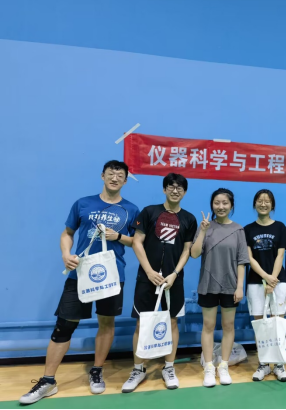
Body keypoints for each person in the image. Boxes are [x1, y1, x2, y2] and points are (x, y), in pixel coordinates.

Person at [19, 161, 140, 405]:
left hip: (112, 275)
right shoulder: (83, 203)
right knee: (64, 325)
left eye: (120, 175)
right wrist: (66, 254)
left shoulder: (131, 209)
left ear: (126, 181)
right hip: (80, 273)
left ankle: (97, 370)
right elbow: (67, 233)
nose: (115, 178)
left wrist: (118, 236)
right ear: (102, 176)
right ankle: (48, 381)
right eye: (111, 174)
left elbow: (137, 241)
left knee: (106, 323)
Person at [122, 173, 198, 393]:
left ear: (184, 192)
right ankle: (138, 369)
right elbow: (137, 242)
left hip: (173, 281)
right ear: (164, 189)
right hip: (147, 279)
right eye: (171, 186)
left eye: (179, 188)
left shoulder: (189, 219)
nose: (175, 190)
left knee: (172, 323)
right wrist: (149, 271)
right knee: (141, 323)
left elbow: (187, 250)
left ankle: (169, 368)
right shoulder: (149, 212)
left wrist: (174, 273)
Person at [191, 188, 249, 388]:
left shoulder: (238, 230)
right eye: (217, 203)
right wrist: (203, 231)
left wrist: (239, 287)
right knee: (208, 326)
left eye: (225, 203)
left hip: (230, 286)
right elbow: (194, 254)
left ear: (231, 205)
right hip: (208, 284)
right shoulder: (205, 227)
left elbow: (242, 261)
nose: (221, 206)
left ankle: (223, 366)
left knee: (228, 326)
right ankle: (209, 367)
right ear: (212, 205)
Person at [245, 190, 286, 383]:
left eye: (267, 201)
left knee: (278, 324)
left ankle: (279, 365)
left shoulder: (280, 227)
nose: (263, 204)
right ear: (254, 204)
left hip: (278, 282)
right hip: (256, 282)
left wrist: (273, 280)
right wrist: (265, 277)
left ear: (272, 205)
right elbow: (249, 258)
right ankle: (263, 364)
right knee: (261, 326)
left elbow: (280, 255)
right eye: (260, 201)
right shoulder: (248, 230)